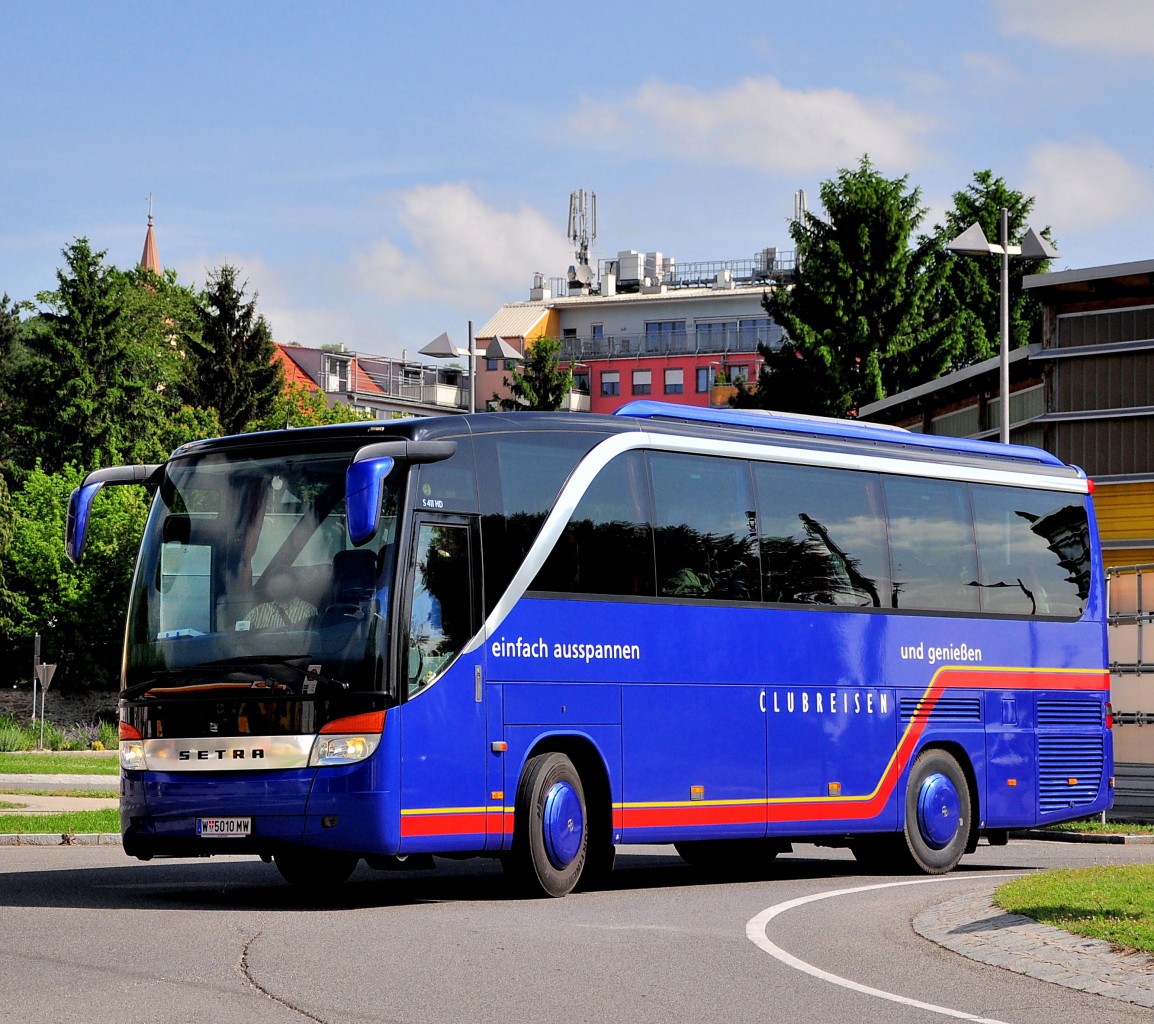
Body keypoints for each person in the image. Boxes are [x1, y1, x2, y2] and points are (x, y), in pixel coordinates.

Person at [247, 566, 316, 628]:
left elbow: (307, 640)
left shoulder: (306, 611)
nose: (279, 586)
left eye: (284, 582)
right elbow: (241, 634)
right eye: (275, 583)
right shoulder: (258, 612)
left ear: (295, 585)